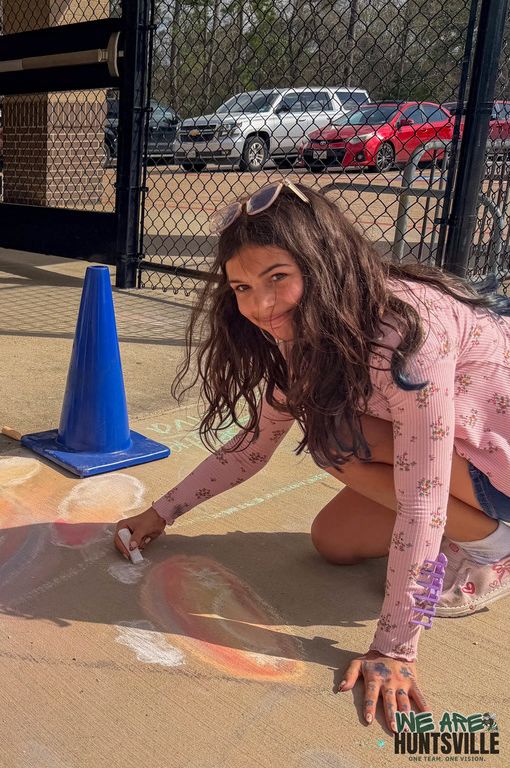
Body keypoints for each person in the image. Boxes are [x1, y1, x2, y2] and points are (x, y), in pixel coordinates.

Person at [114, 179, 510, 731]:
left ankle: (496, 546)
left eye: (277, 277)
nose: (260, 305)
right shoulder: (305, 328)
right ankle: (473, 531)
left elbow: (422, 500)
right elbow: (254, 443)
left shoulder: (410, 337)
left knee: (338, 440)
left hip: (499, 465)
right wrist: (161, 513)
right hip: (459, 458)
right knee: (334, 542)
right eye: (242, 288)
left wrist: (396, 648)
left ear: (323, 263)